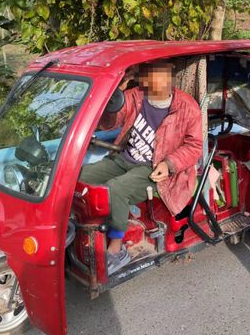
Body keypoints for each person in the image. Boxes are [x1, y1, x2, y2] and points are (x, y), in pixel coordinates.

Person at [79, 61, 203, 274]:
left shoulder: (186, 106)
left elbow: (195, 146)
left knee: (115, 188)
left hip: (154, 168)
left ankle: (117, 250)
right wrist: (115, 96)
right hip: (124, 158)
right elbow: (108, 124)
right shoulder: (135, 96)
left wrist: (169, 163)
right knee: (80, 175)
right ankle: (80, 228)